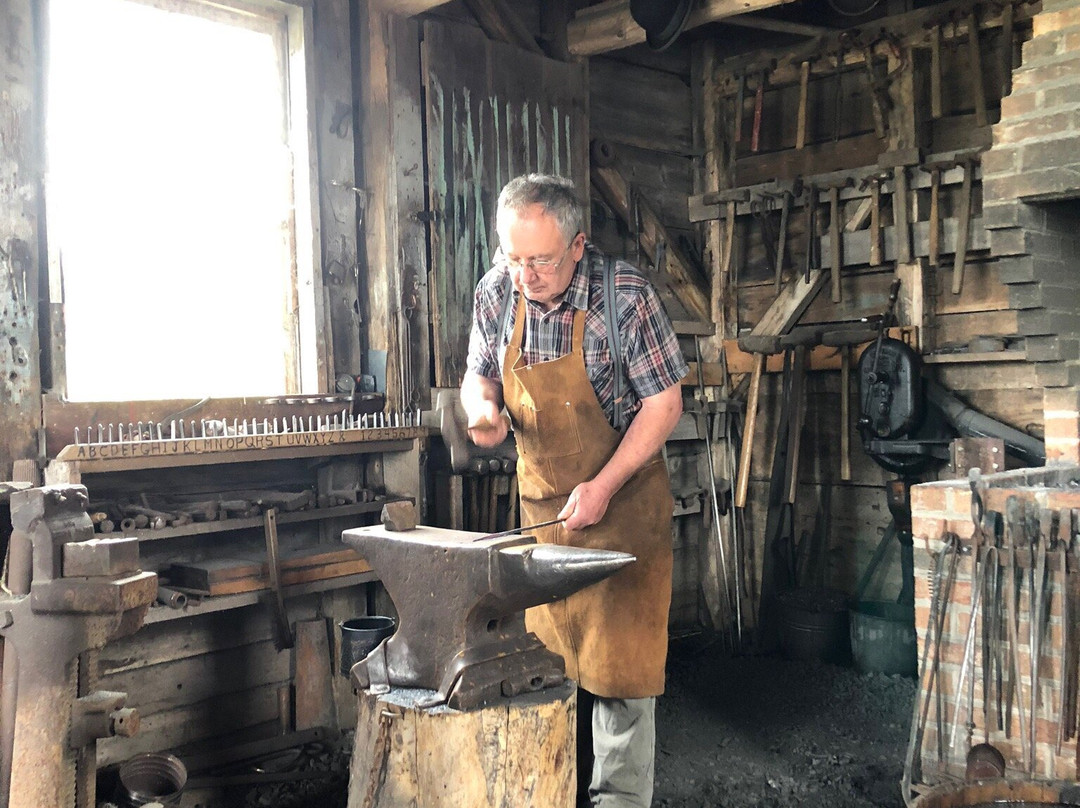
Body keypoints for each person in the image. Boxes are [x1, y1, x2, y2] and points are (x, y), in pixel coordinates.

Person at [461, 174, 688, 807]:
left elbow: (664, 405)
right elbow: (477, 378)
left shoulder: (625, 298)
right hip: (543, 517)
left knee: (619, 681)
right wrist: (482, 412)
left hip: (623, 509)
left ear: (577, 245)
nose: (524, 275)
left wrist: (604, 486)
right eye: (513, 258)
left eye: (540, 260)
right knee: (544, 671)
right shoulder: (496, 294)